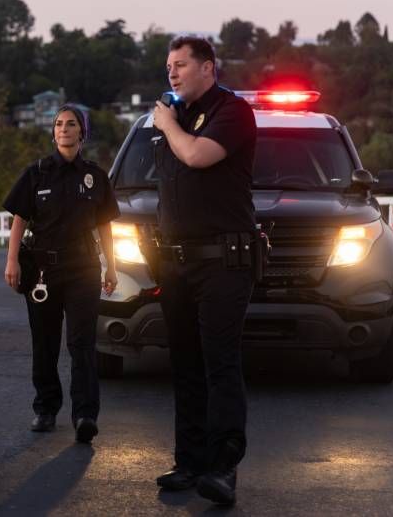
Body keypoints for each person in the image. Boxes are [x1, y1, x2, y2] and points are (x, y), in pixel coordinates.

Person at [151, 36, 257, 506]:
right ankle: (189, 460)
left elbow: (196, 156)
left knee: (219, 363)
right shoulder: (177, 120)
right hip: (176, 262)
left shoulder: (231, 113)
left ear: (208, 67)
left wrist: (167, 125)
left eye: (180, 65)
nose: (171, 73)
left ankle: (223, 467)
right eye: (168, 67)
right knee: (186, 366)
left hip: (223, 261)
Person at [3, 104, 119, 443]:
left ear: (82, 132)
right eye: (58, 124)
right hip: (42, 270)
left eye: (71, 124)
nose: (64, 129)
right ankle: (46, 408)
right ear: (53, 132)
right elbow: (19, 220)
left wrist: (110, 265)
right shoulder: (37, 173)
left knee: (82, 343)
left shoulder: (96, 177)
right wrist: (12, 261)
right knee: (45, 342)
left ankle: (85, 414)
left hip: (83, 269)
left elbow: (105, 227)